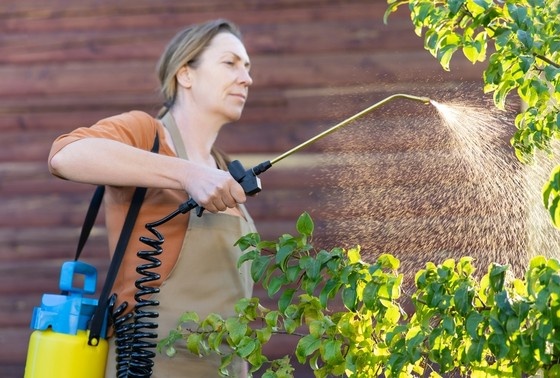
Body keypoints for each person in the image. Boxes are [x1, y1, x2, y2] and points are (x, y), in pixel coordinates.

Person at [48, 19, 256, 377]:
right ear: (185, 74)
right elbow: (65, 155)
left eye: (248, 67)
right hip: (149, 366)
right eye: (230, 63)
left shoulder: (222, 167)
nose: (246, 78)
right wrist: (186, 173)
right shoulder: (146, 133)